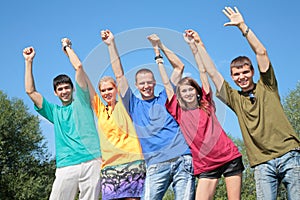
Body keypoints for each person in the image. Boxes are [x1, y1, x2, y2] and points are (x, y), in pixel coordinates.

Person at [200, 6, 300, 200]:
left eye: (245, 72)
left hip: (289, 155)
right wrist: (200, 46)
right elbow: (213, 73)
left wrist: (243, 27)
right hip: (262, 164)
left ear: (252, 72)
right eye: (237, 74)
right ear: (232, 76)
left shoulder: (268, 86)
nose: (242, 77)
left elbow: (261, 52)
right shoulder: (235, 99)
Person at [148, 31, 244, 200]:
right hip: (205, 164)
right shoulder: (178, 111)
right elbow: (166, 83)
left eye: (191, 89)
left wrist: (193, 47)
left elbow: (202, 71)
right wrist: (158, 51)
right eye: (183, 91)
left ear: (197, 91)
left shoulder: (206, 103)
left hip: (229, 157)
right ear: (180, 95)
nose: (187, 93)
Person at [101, 29, 195, 200]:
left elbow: (179, 67)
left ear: (154, 83)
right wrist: (111, 45)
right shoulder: (132, 104)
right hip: (156, 165)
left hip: (182, 158)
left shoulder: (166, 97)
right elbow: (119, 75)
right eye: (142, 83)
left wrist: (160, 46)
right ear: (136, 85)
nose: (146, 86)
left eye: (149, 82)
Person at [23, 39, 101, 200]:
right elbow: (30, 91)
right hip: (66, 165)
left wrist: (67, 48)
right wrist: (28, 62)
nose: (64, 91)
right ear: (55, 93)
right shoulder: (54, 112)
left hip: (92, 161)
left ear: (73, 89)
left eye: (67, 87)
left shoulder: (83, 102)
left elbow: (78, 67)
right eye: (60, 89)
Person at [89, 74, 146, 199]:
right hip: (109, 166)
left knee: (132, 198)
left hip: (131, 161)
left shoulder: (124, 105)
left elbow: (120, 76)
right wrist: (74, 61)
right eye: (103, 91)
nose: (106, 93)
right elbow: (86, 84)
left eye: (110, 89)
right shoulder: (100, 110)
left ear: (116, 90)